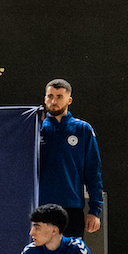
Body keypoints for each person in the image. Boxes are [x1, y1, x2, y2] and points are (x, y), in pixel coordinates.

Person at [39, 78, 104, 238]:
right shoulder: (36, 128)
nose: (54, 101)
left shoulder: (82, 129)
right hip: (40, 206)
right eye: (50, 96)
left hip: (72, 207)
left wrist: (95, 210)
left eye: (59, 96)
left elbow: (93, 172)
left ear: (69, 100)